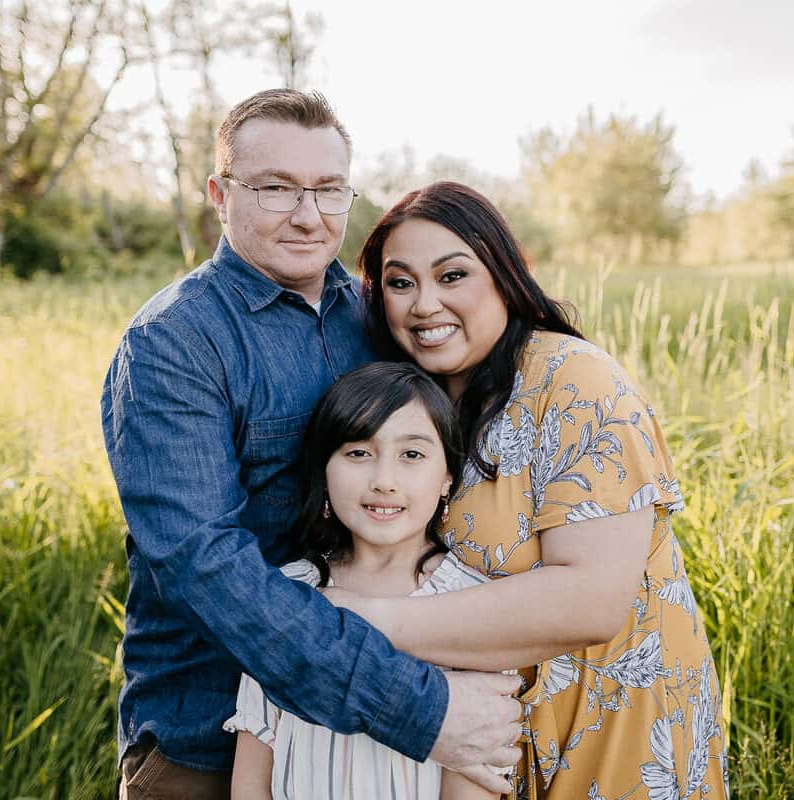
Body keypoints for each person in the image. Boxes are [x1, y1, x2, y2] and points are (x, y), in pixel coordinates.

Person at [100, 94, 520, 800]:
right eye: (275, 188)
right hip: (213, 738)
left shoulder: (372, 316)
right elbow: (206, 568)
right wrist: (420, 708)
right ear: (219, 195)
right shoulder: (173, 345)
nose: (308, 214)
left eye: (329, 189)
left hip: (396, 732)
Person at [320, 181, 729, 799]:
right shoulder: (419, 404)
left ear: (506, 275)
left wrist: (361, 623)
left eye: (452, 276)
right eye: (401, 283)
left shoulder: (574, 383)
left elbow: (590, 600)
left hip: (607, 731)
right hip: (487, 743)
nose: (424, 304)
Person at [227, 361, 506, 800]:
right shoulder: (286, 593)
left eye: (411, 455)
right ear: (324, 472)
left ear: (447, 479)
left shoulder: (474, 604)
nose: (384, 481)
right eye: (358, 453)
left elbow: (474, 784)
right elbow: (250, 777)